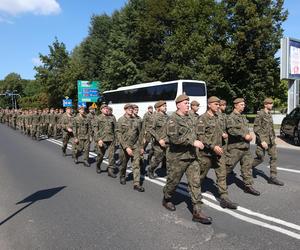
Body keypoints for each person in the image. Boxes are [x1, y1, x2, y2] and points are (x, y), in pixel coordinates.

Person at [162, 94, 212, 224]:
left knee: (195, 183)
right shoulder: (172, 119)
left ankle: (197, 212)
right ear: (178, 105)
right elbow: (174, 139)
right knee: (173, 183)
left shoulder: (191, 118)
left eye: (188, 103)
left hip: (192, 157)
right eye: (185, 103)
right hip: (177, 158)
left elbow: (198, 130)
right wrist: (192, 142)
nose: (187, 105)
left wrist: (202, 140)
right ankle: (167, 198)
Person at [197, 96, 238, 209]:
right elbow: (201, 137)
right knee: (200, 176)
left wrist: (223, 134)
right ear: (209, 105)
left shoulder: (217, 118)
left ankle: (224, 198)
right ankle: (194, 191)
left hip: (218, 152)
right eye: (216, 104)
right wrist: (212, 146)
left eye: (219, 104)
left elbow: (218, 130)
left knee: (222, 175)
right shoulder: (202, 119)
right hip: (206, 154)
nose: (218, 106)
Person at [226, 98, 260, 196]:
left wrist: (248, 135)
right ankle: (221, 183)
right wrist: (244, 135)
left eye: (244, 104)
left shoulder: (242, 117)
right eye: (241, 104)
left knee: (247, 167)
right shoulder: (231, 117)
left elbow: (245, 129)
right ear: (235, 105)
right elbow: (231, 130)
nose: (243, 106)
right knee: (228, 167)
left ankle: (248, 186)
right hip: (235, 148)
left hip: (245, 147)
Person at [252, 98, 284, 186]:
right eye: (270, 103)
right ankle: (249, 167)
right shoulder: (260, 114)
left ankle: (272, 177)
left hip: (271, 141)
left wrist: (273, 137)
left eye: (272, 103)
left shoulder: (269, 114)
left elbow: (271, 127)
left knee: (274, 157)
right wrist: (262, 141)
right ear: (265, 104)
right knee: (260, 158)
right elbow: (256, 128)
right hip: (262, 141)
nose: (272, 105)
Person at [116, 104, 145, 192]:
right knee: (123, 164)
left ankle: (136, 184)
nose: (131, 110)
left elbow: (140, 133)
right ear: (125, 110)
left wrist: (141, 147)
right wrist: (126, 147)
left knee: (136, 165)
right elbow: (118, 134)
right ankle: (122, 175)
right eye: (129, 109)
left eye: (132, 109)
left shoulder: (136, 120)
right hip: (124, 146)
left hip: (135, 145)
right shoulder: (121, 120)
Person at [94, 104, 117, 178]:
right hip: (102, 140)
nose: (106, 109)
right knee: (100, 155)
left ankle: (110, 171)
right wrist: (98, 140)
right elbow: (95, 130)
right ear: (101, 110)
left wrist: (116, 138)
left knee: (112, 156)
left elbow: (115, 129)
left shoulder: (112, 117)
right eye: (104, 108)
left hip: (111, 139)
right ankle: (98, 165)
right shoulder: (98, 118)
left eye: (106, 108)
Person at [147, 100, 168, 179]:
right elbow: (151, 129)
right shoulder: (154, 117)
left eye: (165, 106)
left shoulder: (167, 116)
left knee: (168, 157)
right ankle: (150, 169)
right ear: (158, 108)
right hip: (158, 142)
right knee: (158, 159)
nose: (165, 107)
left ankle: (164, 168)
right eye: (163, 106)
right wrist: (159, 139)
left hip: (167, 141)